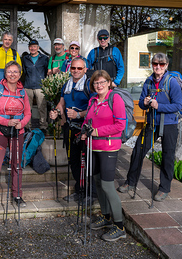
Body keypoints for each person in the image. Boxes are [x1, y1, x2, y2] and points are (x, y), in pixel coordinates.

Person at [118, 53, 182, 201]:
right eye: (155, 64)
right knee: (138, 151)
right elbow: (141, 102)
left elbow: (178, 106)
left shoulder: (171, 83)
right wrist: (145, 102)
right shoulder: (148, 81)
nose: (157, 67)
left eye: (161, 64)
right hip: (152, 123)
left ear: (166, 66)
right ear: (152, 65)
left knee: (168, 156)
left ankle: (164, 188)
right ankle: (131, 182)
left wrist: (158, 106)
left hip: (169, 124)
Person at [81, 70, 126, 242]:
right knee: (98, 183)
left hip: (108, 148)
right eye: (95, 83)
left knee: (107, 186)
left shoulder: (115, 99)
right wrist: (84, 132)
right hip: (93, 147)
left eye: (102, 82)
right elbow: (87, 121)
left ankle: (120, 226)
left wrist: (97, 131)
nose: (98, 86)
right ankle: (106, 217)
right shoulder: (93, 100)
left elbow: (120, 125)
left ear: (108, 83)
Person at [0, 61, 31, 210]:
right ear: (5, 74)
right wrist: (5, 121)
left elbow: (28, 113)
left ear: (20, 74)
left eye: (15, 72)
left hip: (18, 131)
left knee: (17, 164)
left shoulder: (23, 92)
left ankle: (17, 195)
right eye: (9, 72)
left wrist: (21, 123)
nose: (12, 74)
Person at [49, 57, 93, 202]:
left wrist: (79, 114)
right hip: (70, 128)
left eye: (79, 68)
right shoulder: (67, 84)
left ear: (85, 69)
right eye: (73, 68)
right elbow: (61, 103)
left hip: (85, 129)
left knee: (86, 161)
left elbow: (95, 108)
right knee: (73, 160)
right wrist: (56, 111)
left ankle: (90, 192)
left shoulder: (89, 85)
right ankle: (79, 190)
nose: (75, 71)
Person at [22, 39, 49, 133]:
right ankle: (27, 126)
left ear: (38, 47)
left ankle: (43, 126)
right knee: (27, 108)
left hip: (40, 86)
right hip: (28, 85)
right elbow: (24, 72)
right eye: (31, 46)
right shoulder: (25, 59)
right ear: (29, 48)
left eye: (34, 46)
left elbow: (46, 71)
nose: (32, 48)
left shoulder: (44, 58)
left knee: (42, 107)